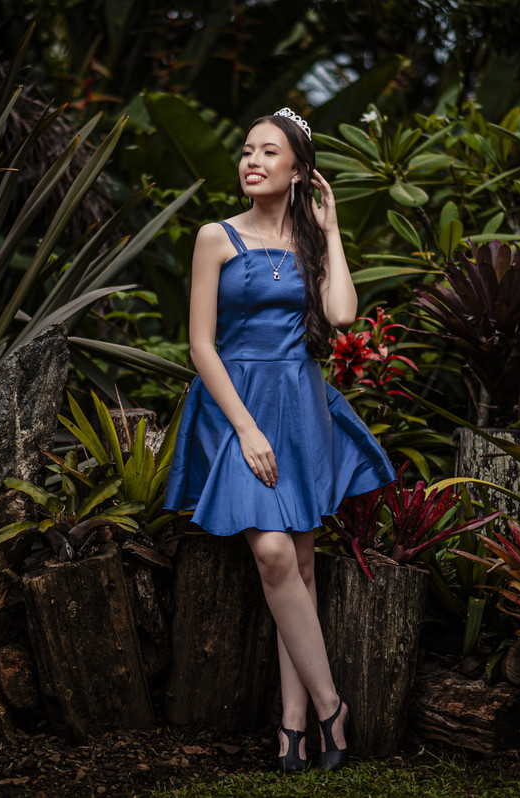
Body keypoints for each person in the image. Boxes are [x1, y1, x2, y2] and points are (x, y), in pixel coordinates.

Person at [163, 107, 395, 773]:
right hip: (237, 407)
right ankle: (331, 707)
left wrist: (331, 230)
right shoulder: (216, 237)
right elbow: (200, 345)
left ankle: (293, 724)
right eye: (246, 150)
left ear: (298, 169)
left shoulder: (309, 240)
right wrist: (243, 428)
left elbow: (344, 316)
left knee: (298, 561)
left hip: (299, 405)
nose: (251, 161)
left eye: (269, 152)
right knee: (271, 552)